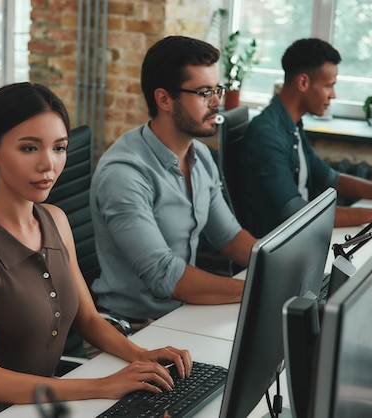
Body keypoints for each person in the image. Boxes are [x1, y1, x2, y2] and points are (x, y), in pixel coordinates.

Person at [0, 82, 191, 418]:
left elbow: (87, 318)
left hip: (45, 400)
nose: (48, 165)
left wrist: (140, 355)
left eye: (59, 148)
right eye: (30, 149)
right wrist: (104, 384)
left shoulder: (55, 220)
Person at [90, 36, 256, 326]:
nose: (217, 102)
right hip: (131, 329)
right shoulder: (125, 173)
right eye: (205, 92)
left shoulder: (200, 156)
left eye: (217, 89)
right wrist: (260, 289)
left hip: (180, 315)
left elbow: (228, 237)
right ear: (164, 99)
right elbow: (165, 277)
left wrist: (280, 267)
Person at [239, 38, 372, 238]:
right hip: (284, 247)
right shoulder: (267, 134)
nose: (333, 95)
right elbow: (297, 214)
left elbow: (331, 179)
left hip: (302, 236)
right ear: (303, 82)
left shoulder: (292, 125)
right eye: (328, 86)